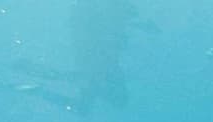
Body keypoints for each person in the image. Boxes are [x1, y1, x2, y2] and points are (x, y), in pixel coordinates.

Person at [14, 0, 144, 113]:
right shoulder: (102, 17)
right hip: (96, 54)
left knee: (86, 101)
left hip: (96, 54)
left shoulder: (102, 16)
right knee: (87, 98)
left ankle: (34, 79)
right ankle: (34, 80)